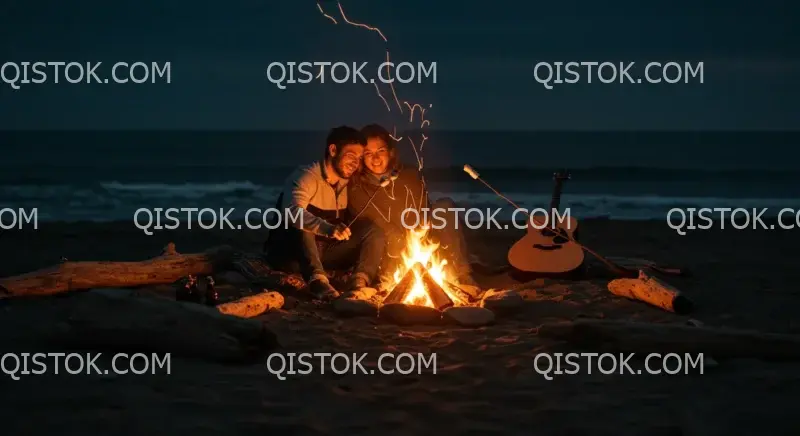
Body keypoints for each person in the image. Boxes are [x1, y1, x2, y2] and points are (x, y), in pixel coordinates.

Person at [347, 123, 478, 287]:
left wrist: (421, 232)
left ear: (391, 152)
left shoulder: (410, 174)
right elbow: (377, 227)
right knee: (391, 239)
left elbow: (423, 210)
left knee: (444, 206)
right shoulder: (357, 188)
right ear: (361, 157)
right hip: (392, 254)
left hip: (423, 243)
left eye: (380, 151)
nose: (375, 158)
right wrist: (406, 239)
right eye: (368, 153)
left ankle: (462, 274)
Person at [263, 126, 386, 300]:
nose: (355, 163)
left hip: (325, 253)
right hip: (292, 254)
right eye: (351, 156)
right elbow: (291, 213)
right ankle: (318, 283)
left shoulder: (345, 183)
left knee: (373, 230)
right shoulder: (306, 177)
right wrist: (327, 228)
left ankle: (359, 282)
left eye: (359, 158)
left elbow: (373, 182)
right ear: (333, 150)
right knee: (303, 222)